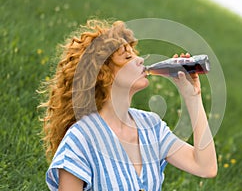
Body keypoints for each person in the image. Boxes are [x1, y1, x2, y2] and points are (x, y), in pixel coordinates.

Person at [39, 19, 217, 191]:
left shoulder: (151, 126)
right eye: (127, 56)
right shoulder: (81, 138)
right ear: (103, 73)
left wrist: (192, 96)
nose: (140, 60)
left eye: (136, 53)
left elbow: (205, 167)